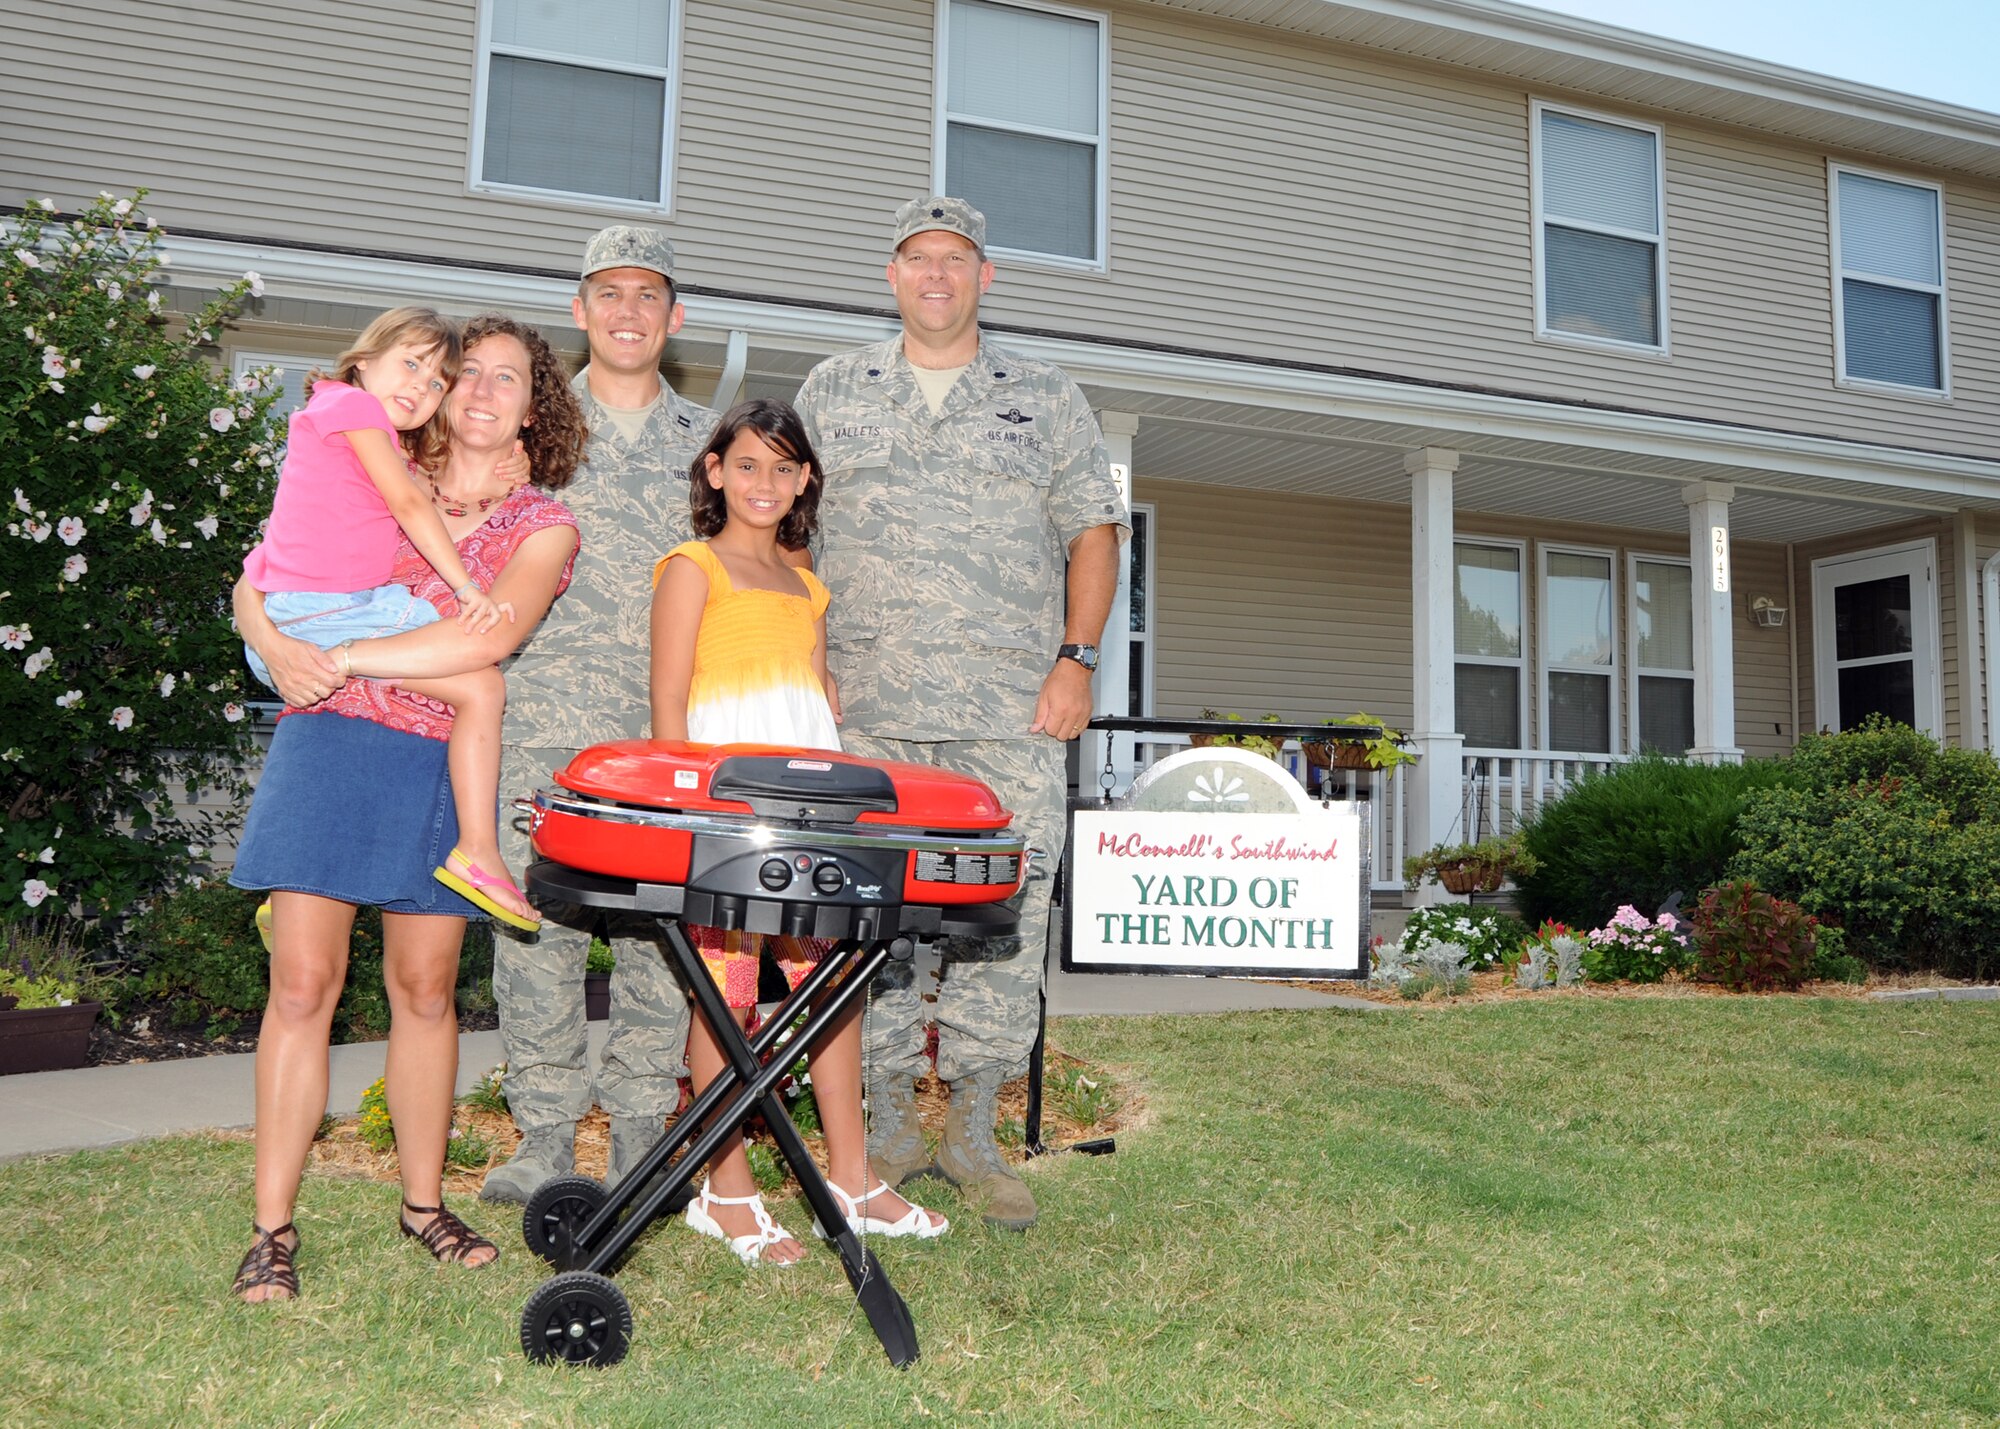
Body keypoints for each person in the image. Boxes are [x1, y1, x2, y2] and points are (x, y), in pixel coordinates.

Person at [228, 315, 586, 1301]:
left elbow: (485, 643)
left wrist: (340, 655)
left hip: (437, 759)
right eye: (464, 372)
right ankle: (270, 1228)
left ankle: (422, 1205)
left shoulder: (542, 525)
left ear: (533, 409)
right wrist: (270, 635)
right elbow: (260, 574)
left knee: (425, 990)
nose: (477, 389)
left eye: (505, 379)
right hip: (328, 739)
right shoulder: (379, 461)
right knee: (301, 984)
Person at [796, 197, 1128, 1231]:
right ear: (888, 274)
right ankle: (889, 1122)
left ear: (987, 278)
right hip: (869, 715)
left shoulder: (1047, 395)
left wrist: (1075, 661)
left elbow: (1092, 530)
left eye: (955, 259)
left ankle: (974, 1130)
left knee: (1003, 912)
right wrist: (808, 666)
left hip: (1008, 714)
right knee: (873, 917)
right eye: (915, 258)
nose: (934, 274)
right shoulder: (830, 390)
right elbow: (785, 532)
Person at [650, 399, 948, 1264]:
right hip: (730, 812)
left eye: (784, 468)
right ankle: (725, 1190)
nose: (765, 483)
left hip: (814, 812)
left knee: (835, 990)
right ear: (715, 471)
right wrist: (688, 812)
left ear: (805, 480)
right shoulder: (690, 566)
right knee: (728, 992)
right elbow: (670, 697)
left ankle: (850, 1180)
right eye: (747, 464)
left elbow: (820, 705)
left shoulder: (806, 582)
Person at [479, 226, 720, 1205]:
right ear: (577, 310)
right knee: (535, 933)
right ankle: (542, 1136)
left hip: (666, 741)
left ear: (675, 316)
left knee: (657, 939)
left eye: (648, 294)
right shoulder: (521, 431)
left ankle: (633, 1138)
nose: (628, 311)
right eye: (608, 293)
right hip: (538, 723)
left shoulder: (712, 446)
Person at [240, 307, 537, 931]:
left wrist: (517, 462)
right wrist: (465, 589)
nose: (421, 388)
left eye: (436, 382)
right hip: (330, 615)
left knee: (480, 682)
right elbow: (406, 503)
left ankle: (471, 852)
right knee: (482, 680)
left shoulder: (362, 434)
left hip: (332, 611)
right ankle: (478, 851)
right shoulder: (352, 409)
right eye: (410, 365)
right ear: (363, 359)